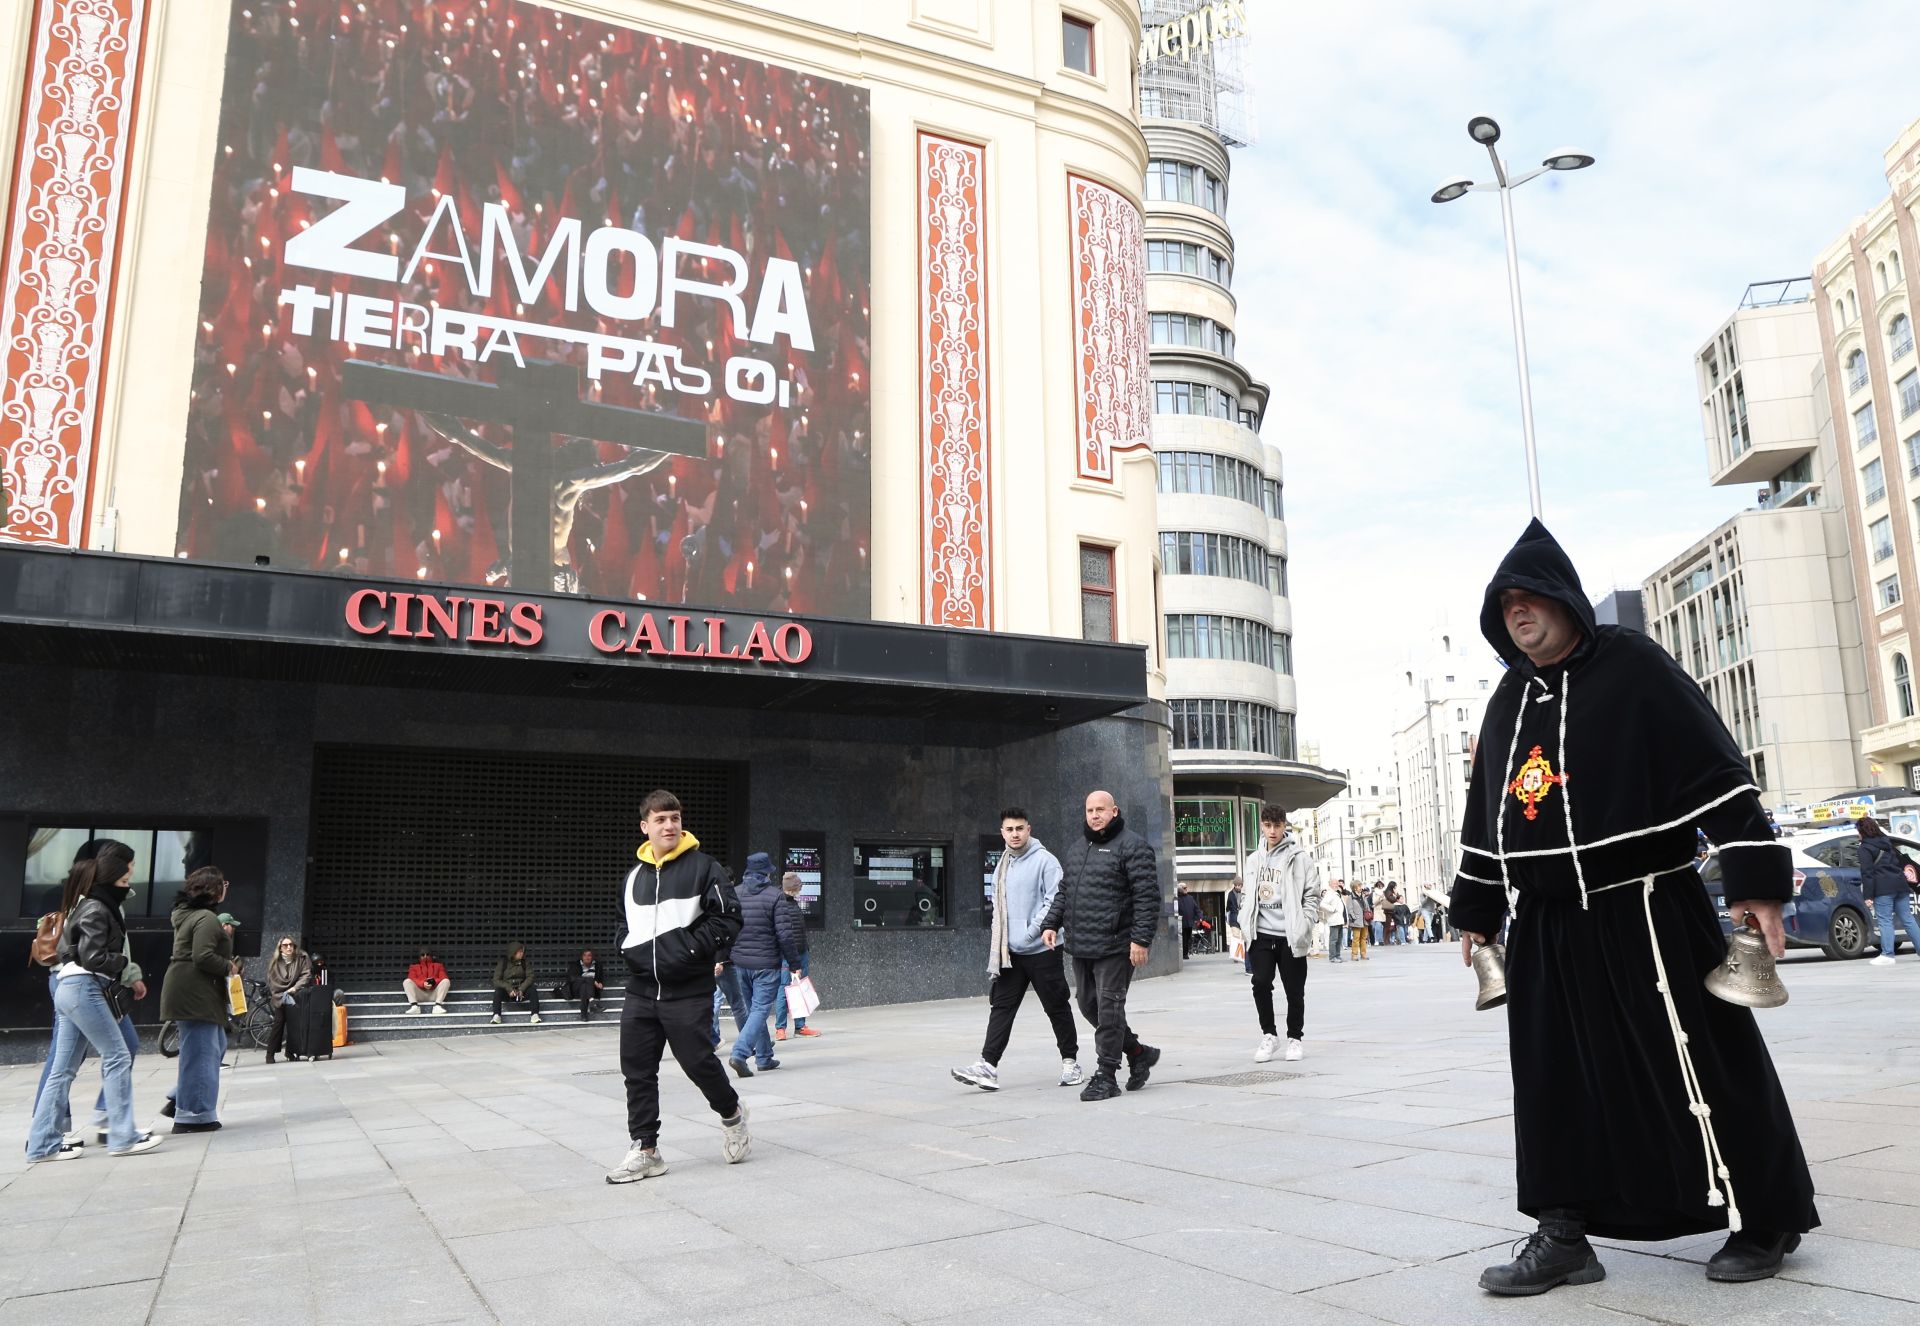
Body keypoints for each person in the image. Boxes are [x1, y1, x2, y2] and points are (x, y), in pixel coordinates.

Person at [1450, 520, 1816, 1295]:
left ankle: (1767, 1214)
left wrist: (1754, 879)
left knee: (1706, 1058)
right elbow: (1486, 815)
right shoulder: (1508, 698)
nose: (1517, 612)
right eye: (1505, 603)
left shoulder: (1634, 666)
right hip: (1547, 922)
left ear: (1564, 602)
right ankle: (1563, 1232)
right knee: (1553, 1079)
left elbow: (1717, 768)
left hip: (1646, 908)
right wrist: (1478, 906)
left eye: (1529, 598)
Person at [606, 789, 750, 1183]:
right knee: (636, 1070)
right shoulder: (632, 877)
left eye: (675, 817)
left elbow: (728, 920)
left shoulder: (705, 867)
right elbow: (623, 926)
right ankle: (646, 1149)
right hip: (640, 990)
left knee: (698, 1063)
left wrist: (686, 950)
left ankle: (732, 1115)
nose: (669, 825)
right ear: (645, 827)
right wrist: (626, 950)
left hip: (687, 988)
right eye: (660, 819)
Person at [26, 844, 162, 1160]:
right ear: (113, 878)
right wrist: (122, 961)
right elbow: (92, 957)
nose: (130, 884)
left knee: (62, 1070)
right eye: (127, 878)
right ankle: (122, 1136)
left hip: (69, 986)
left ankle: (42, 1144)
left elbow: (65, 951)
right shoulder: (97, 908)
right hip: (84, 987)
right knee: (116, 1056)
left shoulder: (84, 905)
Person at [1040, 791, 1162, 1102]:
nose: (1095, 815)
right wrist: (1051, 923)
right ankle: (1138, 1053)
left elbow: (1147, 897)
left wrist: (1141, 940)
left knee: (1109, 1010)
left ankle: (1107, 1075)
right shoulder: (1079, 848)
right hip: (1083, 944)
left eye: (1100, 810)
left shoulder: (1133, 846)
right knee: (1087, 1005)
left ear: (1114, 811)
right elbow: (1065, 891)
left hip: (1117, 945)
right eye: (1090, 810)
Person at [952, 808, 1083, 1091]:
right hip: (1010, 952)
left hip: (1043, 949)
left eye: (1019, 828)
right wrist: (1008, 940)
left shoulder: (1046, 861)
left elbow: (1056, 900)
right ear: (1002, 832)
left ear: (1029, 829)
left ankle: (1071, 1063)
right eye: (1009, 829)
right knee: (1002, 1007)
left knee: (1056, 1006)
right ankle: (988, 1066)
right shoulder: (1003, 863)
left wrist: (1031, 931)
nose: (1015, 834)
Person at [1239, 805, 1321, 1063]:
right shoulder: (1253, 860)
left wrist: (1305, 922)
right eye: (1267, 825)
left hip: (1290, 933)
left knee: (1294, 990)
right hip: (1261, 933)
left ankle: (1295, 1038)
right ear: (1262, 826)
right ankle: (1269, 1035)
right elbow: (1246, 894)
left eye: (1277, 825)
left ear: (1285, 825)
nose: (1272, 831)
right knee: (1260, 983)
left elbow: (1312, 895)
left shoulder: (1301, 859)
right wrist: (1244, 917)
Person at [159, 865, 235, 1135]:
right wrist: (229, 967)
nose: (227, 887)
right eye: (224, 883)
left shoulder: (191, 915)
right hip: (195, 991)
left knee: (215, 1046)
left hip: (191, 988)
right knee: (201, 1052)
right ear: (215, 888)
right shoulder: (205, 917)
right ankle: (194, 1114)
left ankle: (183, 1098)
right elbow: (202, 956)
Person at [727, 851, 804, 1075]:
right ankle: (740, 1053)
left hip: (740, 962)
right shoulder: (775, 896)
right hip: (766, 963)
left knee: (753, 1011)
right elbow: (785, 935)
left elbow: (728, 927)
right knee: (760, 1010)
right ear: (766, 873)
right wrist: (794, 962)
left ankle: (764, 1057)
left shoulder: (735, 893)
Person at [1857, 816, 1920, 966]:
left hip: (1883, 888)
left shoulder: (1864, 848)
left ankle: (1887, 954)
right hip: (1900, 885)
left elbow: (1867, 873)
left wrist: (1868, 895)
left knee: (1885, 920)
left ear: (1862, 831)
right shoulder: (1887, 843)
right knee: (1908, 919)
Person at [773, 873, 819, 1039]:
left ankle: (798, 1026)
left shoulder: (790, 902)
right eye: (798, 888)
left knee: (798, 989)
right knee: (784, 989)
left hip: (800, 952)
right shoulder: (781, 903)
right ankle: (781, 1028)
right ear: (793, 889)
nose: (800, 891)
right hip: (789, 954)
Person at [263, 936, 311, 1064]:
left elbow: (306, 975)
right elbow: (273, 982)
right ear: (280, 948)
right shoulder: (275, 963)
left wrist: (295, 988)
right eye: (285, 945)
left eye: (291, 945)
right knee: (278, 1023)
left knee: (295, 1024)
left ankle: (291, 1052)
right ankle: (270, 1053)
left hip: (296, 995)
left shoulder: (301, 958)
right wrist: (284, 992)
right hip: (280, 996)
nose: (289, 947)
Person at [490, 942, 542, 1023]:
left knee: (532, 990)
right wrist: (509, 988)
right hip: (508, 992)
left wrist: (521, 989)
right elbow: (496, 980)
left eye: (522, 951)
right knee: (498, 992)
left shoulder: (525, 963)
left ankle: (535, 1014)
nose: (522, 953)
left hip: (521, 992)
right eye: (520, 952)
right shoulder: (503, 963)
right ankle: (496, 1015)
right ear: (513, 952)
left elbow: (530, 977)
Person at [403, 948, 450, 1014]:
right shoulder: (414, 967)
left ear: (431, 956)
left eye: (427, 954)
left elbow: (443, 977)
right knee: (407, 982)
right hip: (420, 993)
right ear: (419, 957)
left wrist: (433, 982)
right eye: (422, 955)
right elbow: (412, 978)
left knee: (446, 981)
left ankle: (437, 1006)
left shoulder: (438, 966)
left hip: (434, 993)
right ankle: (414, 1006)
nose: (425, 956)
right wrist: (423, 983)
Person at [568, 948, 606, 1020]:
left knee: (584, 987)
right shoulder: (575, 965)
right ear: (581, 957)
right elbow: (572, 978)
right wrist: (592, 981)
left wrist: (600, 983)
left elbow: (600, 978)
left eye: (589, 955)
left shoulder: (597, 965)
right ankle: (592, 1004)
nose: (587, 957)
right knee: (585, 983)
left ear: (592, 957)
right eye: (585, 955)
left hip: (590, 989)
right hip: (576, 988)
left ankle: (584, 1014)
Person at [1321, 880, 1348, 961]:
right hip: (1334, 919)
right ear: (1330, 885)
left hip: (1339, 919)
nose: (1336, 885)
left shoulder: (1337, 893)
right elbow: (1322, 904)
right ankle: (1332, 957)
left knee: (1339, 939)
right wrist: (1332, 909)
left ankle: (1337, 955)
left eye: (1337, 883)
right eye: (1334, 883)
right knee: (1334, 939)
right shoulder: (1329, 893)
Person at [1176, 883, 1203, 958]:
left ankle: (1185, 953)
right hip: (1181, 923)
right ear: (1180, 889)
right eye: (1184, 888)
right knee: (1183, 939)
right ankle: (1184, 954)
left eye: (1186, 888)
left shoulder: (1190, 898)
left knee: (1188, 938)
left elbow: (1196, 909)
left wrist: (1200, 917)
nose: (1186, 889)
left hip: (1189, 922)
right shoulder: (1176, 898)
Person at [1343, 884, 1368, 960]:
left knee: (1364, 938)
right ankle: (1354, 955)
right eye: (1359, 886)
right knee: (1356, 939)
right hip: (1356, 921)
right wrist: (1354, 918)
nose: (1361, 888)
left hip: (1364, 920)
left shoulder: (1363, 896)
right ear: (1355, 888)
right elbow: (1349, 909)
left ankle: (1363, 954)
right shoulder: (1351, 897)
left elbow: (1367, 907)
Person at [1224, 877, 1245, 958]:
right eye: (1236, 885)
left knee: (1244, 937)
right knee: (1236, 936)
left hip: (1243, 919)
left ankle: (1243, 954)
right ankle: (1236, 955)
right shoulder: (1230, 894)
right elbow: (1228, 908)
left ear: (1241, 885)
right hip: (1234, 918)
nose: (1237, 887)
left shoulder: (1244, 894)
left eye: (1239, 885)